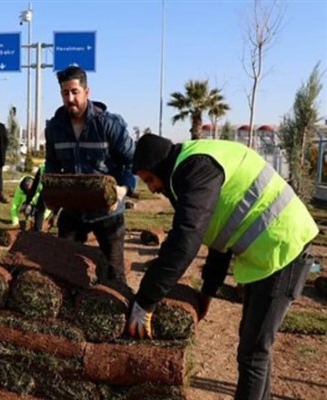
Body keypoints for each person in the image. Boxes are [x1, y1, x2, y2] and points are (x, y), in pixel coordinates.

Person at [127, 134, 318, 400]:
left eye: (150, 179)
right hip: (268, 253)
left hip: (283, 249)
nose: (153, 188)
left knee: (254, 353)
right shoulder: (193, 164)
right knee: (254, 348)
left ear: (160, 167)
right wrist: (207, 291)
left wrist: (145, 300)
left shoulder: (196, 168)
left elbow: (186, 239)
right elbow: (220, 235)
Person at [44, 66, 136, 287]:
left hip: (107, 213)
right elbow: (52, 166)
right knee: (63, 272)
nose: (70, 98)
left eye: (75, 92)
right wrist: (50, 202)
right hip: (73, 210)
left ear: (87, 91)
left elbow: (132, 160)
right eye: (65, 93)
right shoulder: (55, 127)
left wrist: (123, 190)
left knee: (114, 276)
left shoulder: (108, 124)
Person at [23, 162, 53, 232]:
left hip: (55, 189)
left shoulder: (43, 167)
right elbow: (34, 187)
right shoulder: (42, 167)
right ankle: (38, 231)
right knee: (39, 209)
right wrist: (28, 202)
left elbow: (34, 187)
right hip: (46, 191)